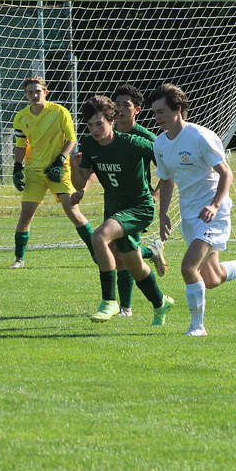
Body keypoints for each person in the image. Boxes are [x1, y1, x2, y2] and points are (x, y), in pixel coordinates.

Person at [149, 83, 236, 336]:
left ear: (177, 109)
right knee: (212, 278)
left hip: (213, 213)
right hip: (190, 214)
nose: (157, 118)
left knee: (188, 267)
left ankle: (197, 327)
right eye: (155, 112)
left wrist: (214, 204)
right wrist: (163, 213)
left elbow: (225, 173)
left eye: (161, 111)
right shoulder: (160, 143)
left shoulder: (200, 137)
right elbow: (166, 180)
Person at [70, 94, 174, 325]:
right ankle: (160, 302)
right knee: (133, 265)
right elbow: (79, 183)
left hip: (139, 208)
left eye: (99, 124)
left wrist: (159, 197)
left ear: (111, 121)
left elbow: (167, 167)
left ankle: (109, 301)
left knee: (100, 237)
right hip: (115, 209)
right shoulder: (88, 144)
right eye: (90, 125)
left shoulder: (133, 143)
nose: (94, 130)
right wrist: (73, 168)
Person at [9, 75, 95, 268]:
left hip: (59, 170)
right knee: (26, 215)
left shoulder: (60, 111)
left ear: (45, 92)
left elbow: (71, 139)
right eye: (30, 92)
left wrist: (60, 160)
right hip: (34, 172)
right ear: (25, 95)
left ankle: (97, 254)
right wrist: (16, 167)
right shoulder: (21, 117)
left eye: (38, 91)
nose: (34, 95)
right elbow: (21, 145)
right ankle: (19, 259)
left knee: (73, 211)